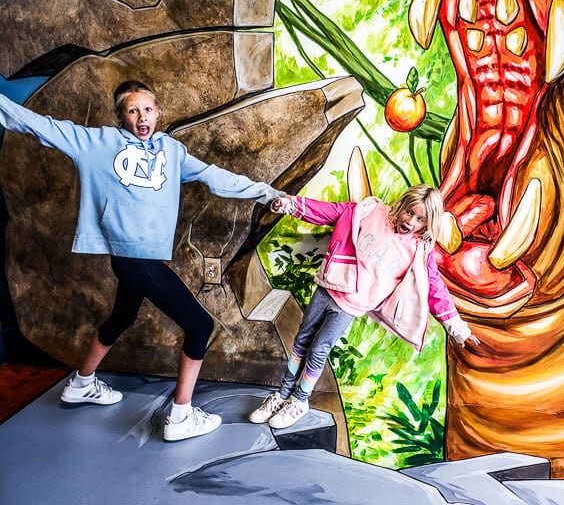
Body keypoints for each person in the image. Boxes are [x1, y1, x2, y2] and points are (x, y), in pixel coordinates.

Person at [0, 81, 284, 441]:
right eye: (132, 111)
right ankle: (180, 417)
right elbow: (38, 125)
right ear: (120, 116)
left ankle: (81, 383)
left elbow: (215, 177)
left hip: (141, 260)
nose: (141, 117)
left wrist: (267, 193)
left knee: (122, 316)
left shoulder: (172, 151)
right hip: (133, 259)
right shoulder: (96, 144)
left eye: (147, 109)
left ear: (158, 112)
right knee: (199, 326)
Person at [248, 184, 479, 429]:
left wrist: (458, 329)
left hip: (351, 304)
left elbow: (435, 288)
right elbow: (329, 211)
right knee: (301, 339)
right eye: (410, 212)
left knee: (318, 349)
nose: (411, 221)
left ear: (428, 223)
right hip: (330, 284)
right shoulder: (371, 212)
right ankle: (281, 395)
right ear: (402, 205)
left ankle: (300, 400)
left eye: (421, 219)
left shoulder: (419, 250)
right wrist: (290, 205)